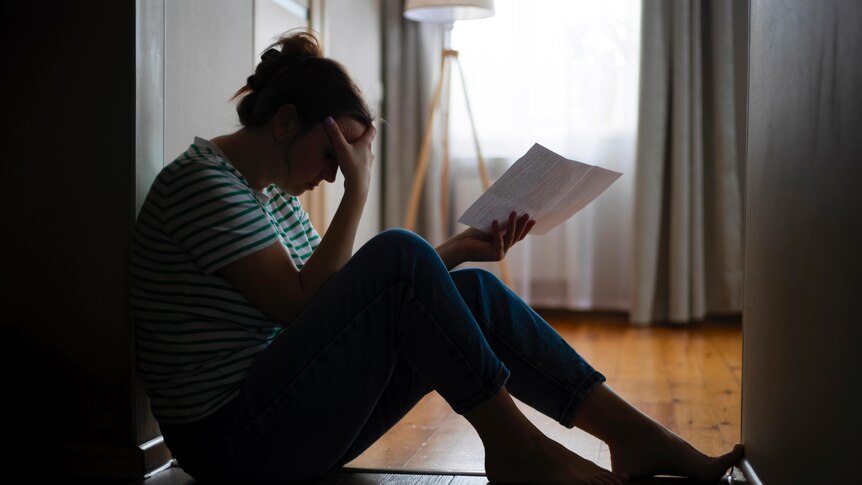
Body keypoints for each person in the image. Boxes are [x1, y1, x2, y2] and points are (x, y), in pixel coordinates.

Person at [132, 31, 742, 485]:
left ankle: (634, 436)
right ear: (287, 122)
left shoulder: (271, 196)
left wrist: (451, 254)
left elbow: (338, 309)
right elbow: (298, 307)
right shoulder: (201, 184)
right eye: (332, 155)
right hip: (231, 443)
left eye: (343, 162)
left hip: (282, 414)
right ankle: (518, 450)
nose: (334, 174)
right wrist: (360, 193)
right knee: (399, 251)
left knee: (468, 289)